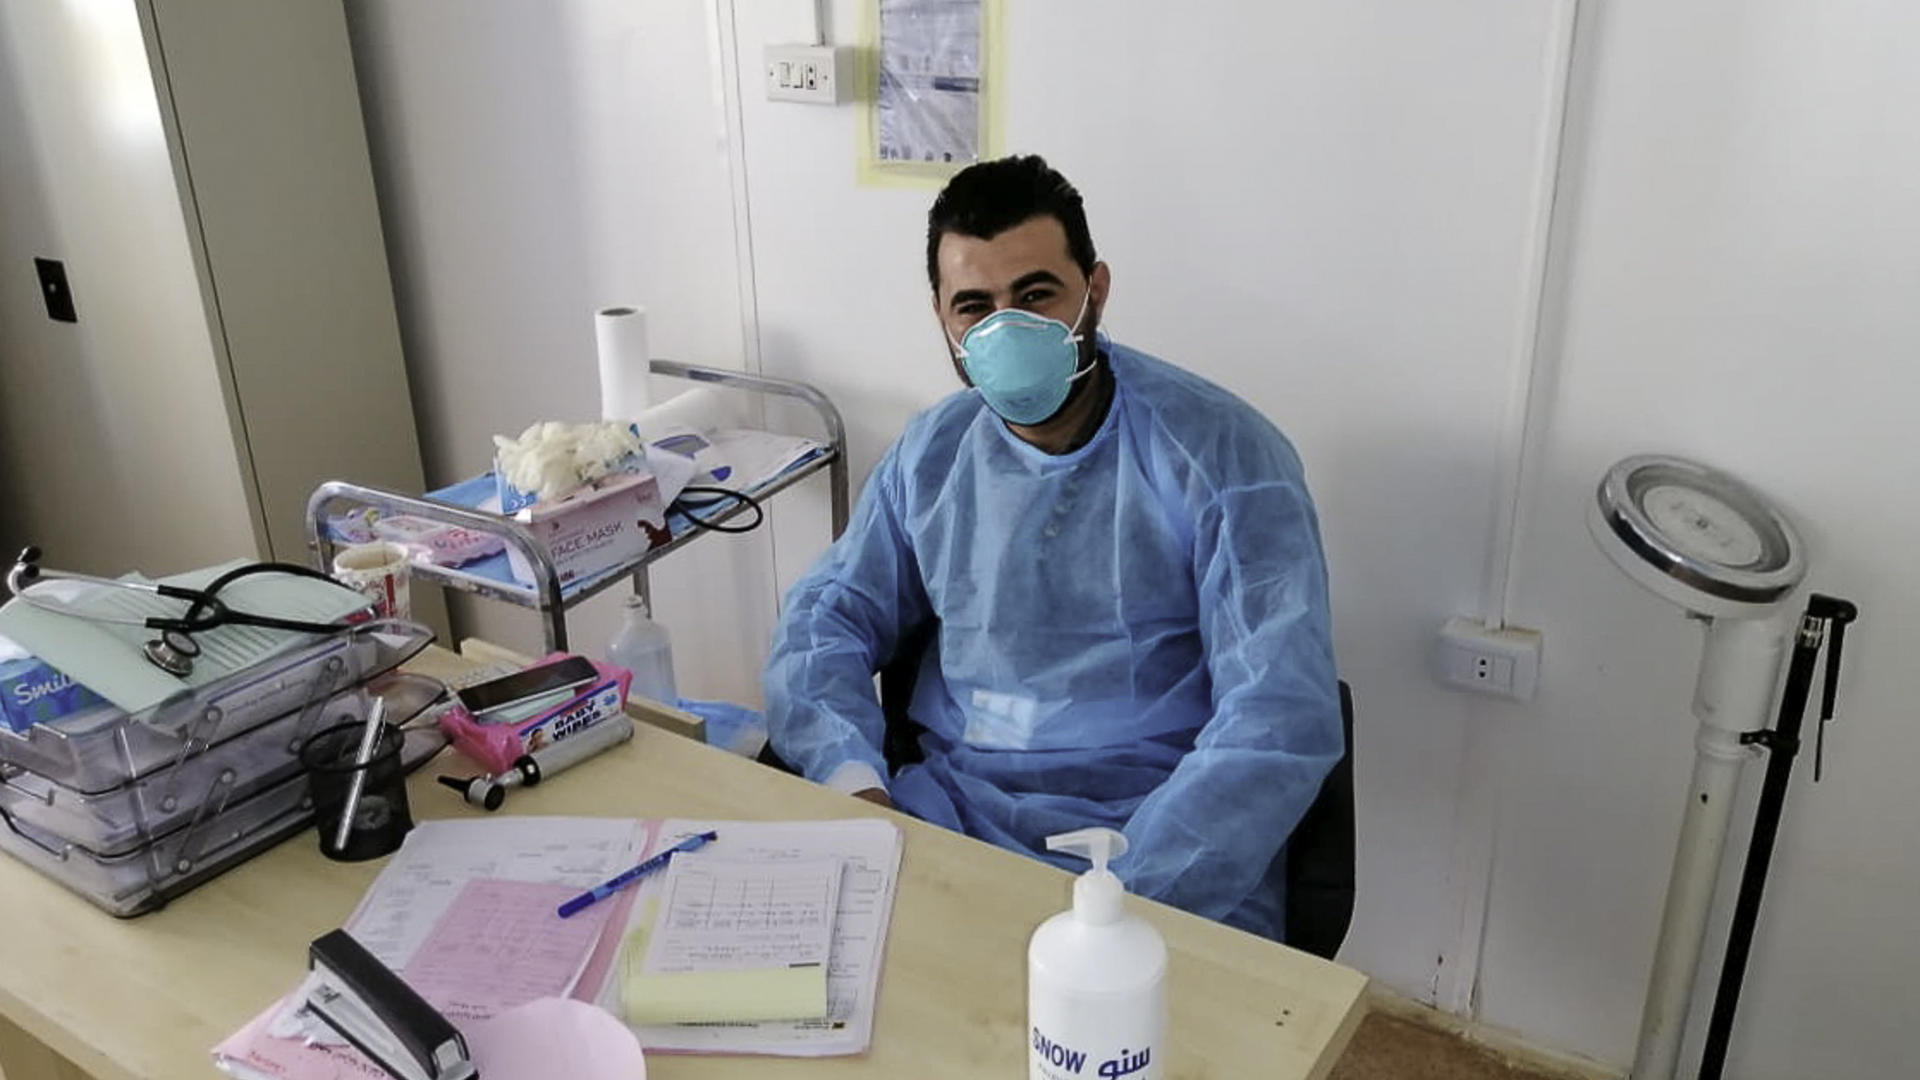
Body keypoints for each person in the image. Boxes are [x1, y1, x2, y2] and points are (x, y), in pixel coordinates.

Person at [763, 155, 1341, 941]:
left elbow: (1277, 711)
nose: (1006, 330)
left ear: (1094, 290)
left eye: (1036, 295)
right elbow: (825, 619)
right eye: (975, 306)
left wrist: (1122, 904)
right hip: (958, 811)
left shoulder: (1220, 455)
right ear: (941, 317)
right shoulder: (933, 454)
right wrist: (855, 782)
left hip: (1163, 826)